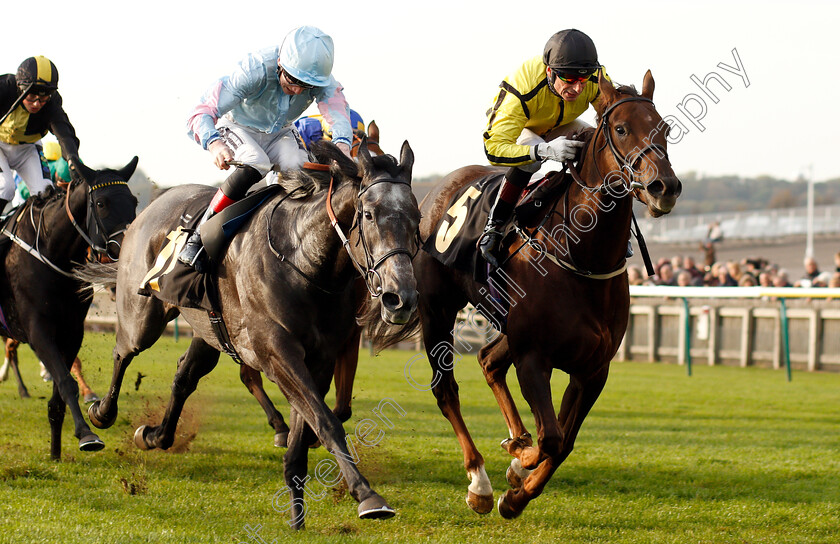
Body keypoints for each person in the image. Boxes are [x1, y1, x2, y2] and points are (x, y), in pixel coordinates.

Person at [180, 26, 354, 270]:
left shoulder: (323, 82)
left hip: (281, 132)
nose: (297, 90)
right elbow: (200, 112)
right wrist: (214, 143)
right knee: (256, 160)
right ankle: (198, 237)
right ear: (281, 64)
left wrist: (343, 146)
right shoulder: (256, 69)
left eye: (306, 86)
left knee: (302, 170)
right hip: (239, 128)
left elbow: (338, 113)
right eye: (292, 81)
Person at [477, 29, 609, 267]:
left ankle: (607, 221)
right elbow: (493, 149)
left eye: (583, 79)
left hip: (561, 122)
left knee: (596, 144)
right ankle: (494, 226)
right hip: (523, 127)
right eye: (569, 79)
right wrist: (544, 150)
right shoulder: (521, 88)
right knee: (531, 160)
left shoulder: (596, 77)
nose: (578, 89)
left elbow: (611, 118)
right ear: (550, 71)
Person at [0, 56, 80, 212]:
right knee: (5, 186)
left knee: (45, 193)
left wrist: (72, 159)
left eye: (43, 98)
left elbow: (64, 134)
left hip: (27, 150)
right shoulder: (5, 87)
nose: (37, 103)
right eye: (31, 97)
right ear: (20, 87)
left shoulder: (52, 104)